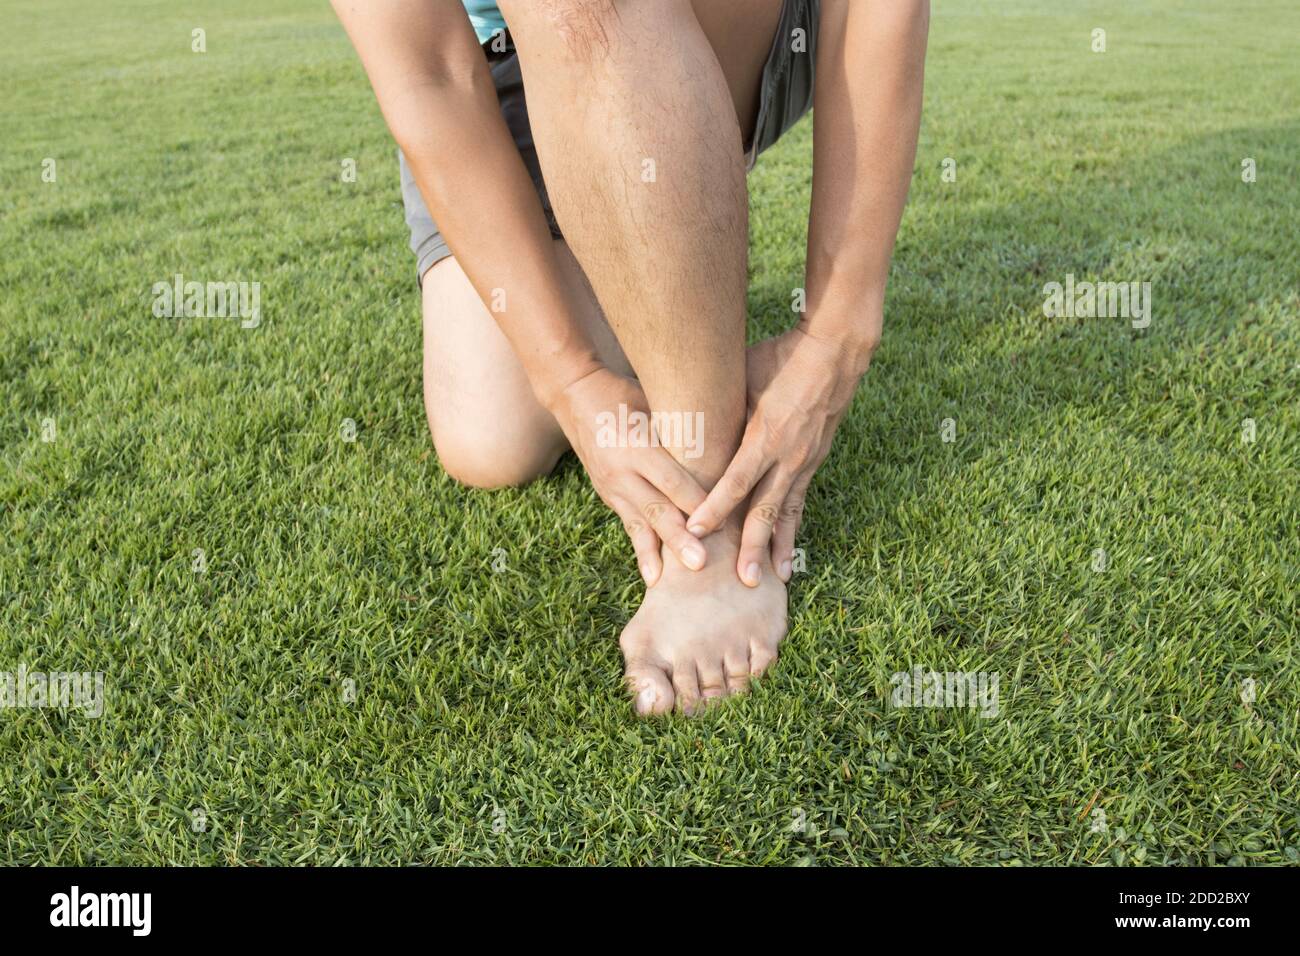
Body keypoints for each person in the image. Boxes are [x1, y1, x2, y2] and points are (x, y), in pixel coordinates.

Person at [331, 0, 929, 715]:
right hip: (503, 61)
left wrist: (835, 336)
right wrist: (570, 380)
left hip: (712, 20)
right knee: (493, 438)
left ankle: (704, 528)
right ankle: (649, 176)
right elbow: (428, 69)